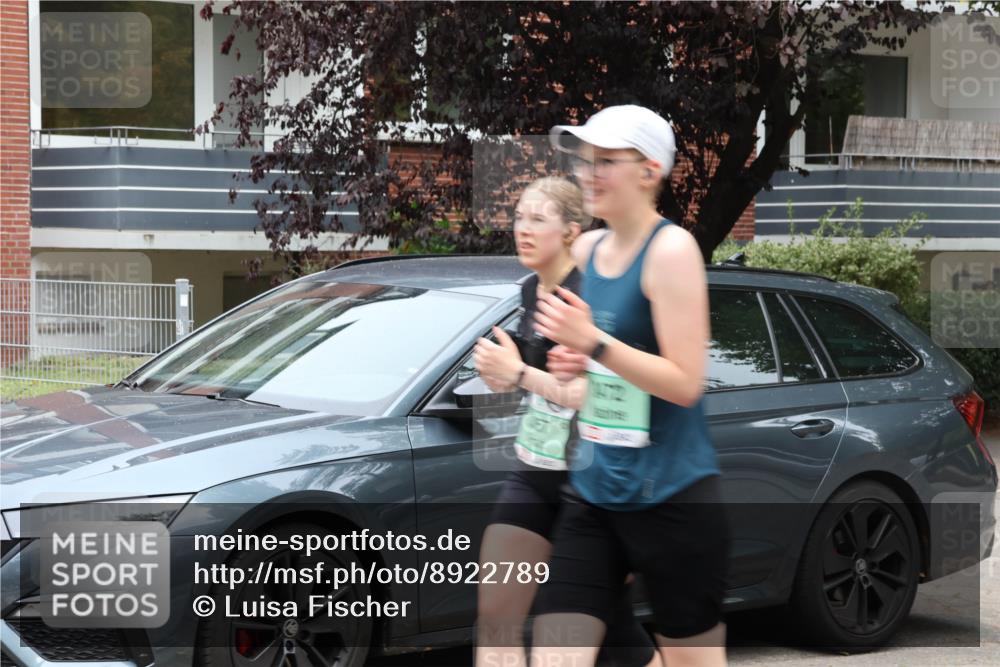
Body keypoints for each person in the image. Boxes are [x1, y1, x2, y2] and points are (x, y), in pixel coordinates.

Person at [528, 105, 731, 667]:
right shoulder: (587, 252)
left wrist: (592, 344)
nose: (588, 172)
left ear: (649, 171)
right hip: (594, 495)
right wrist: (571, 362)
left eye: (606, 161)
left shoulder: (671, 252)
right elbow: (595, 366)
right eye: (584, 159)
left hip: (671, 501)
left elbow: (685, 383)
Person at [472, 176, 659, 667]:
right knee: (495, 615)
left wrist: (521, 374)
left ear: (573, 230)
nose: (523, 229)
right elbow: (539, 386)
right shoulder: (533, 290)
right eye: (518, 217)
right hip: (536, 472)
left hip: (594, 482)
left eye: (538, 218)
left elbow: (594, 397)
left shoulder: (592, 296)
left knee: (609, 631)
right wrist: (504, 377)